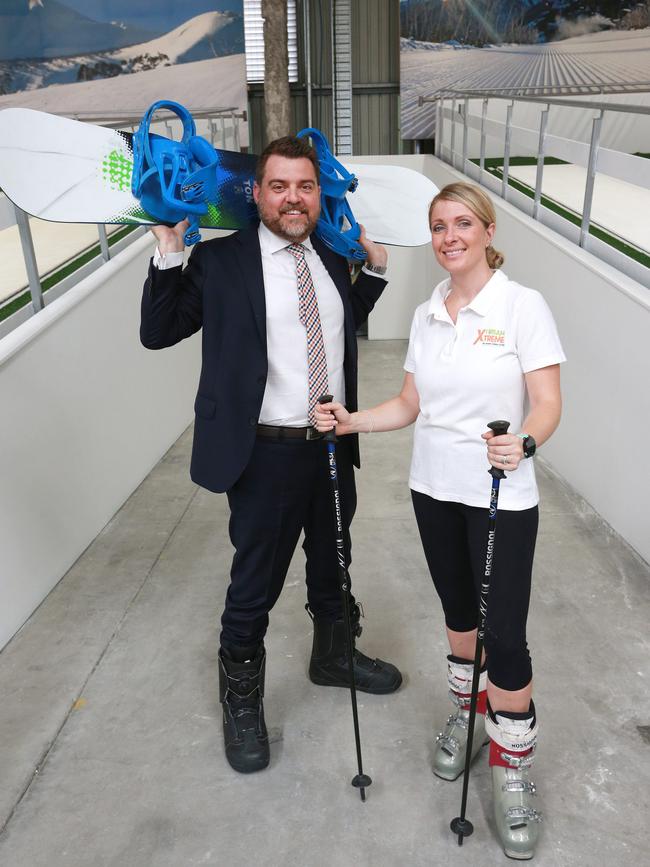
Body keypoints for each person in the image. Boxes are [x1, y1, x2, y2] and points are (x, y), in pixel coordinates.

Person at [315, 181, 565, 859]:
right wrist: (352, 419)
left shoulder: (521, 307)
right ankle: (470, 715)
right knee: (459, 616)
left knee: (504, 636)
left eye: (461, 223)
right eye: (438, 226)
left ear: (487, 230)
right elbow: (408, 403)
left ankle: (514, 771)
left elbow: (546, 401)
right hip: (433, 488)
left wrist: (526, 441)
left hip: (500, 495)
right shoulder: (428, 313)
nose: (448, 235)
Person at [140, 135, 402, 776]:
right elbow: (159, 332)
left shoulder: (334, 258)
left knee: (333, 560)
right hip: (265, 453)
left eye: (305, 187)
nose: (293, 198)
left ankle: (334, 655)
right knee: (255, 584)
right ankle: (242, 701)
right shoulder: (222, 262)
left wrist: (376, 273)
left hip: (333, 444)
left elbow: (334, 328)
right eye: (279, 186)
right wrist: (170, 256)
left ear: (319, 195)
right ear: (256, 194)